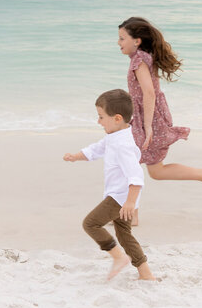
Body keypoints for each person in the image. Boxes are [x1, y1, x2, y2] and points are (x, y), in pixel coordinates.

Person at [118, 17, 202, 217]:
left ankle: (131, 216)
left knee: (128, 163)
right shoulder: (144, 56)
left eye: (122, 38)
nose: (119, 43)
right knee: (155, 171)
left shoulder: (139, 60)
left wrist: (147, 127)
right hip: (151, 116)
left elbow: (149, 92)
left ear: (136, 41)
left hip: (148, 119)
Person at [63, 89, 154, 281]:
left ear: (117, 118)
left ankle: (118, 257)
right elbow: (96, 149)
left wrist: (130, 203)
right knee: (124, 236)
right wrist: (75, 157)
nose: (99, 121)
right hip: (120, 196)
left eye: (101, 117)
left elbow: (136, 176)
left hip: (120, 198)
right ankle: (146, 274)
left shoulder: (123, 145)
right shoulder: (114, 137)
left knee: (90, 223)